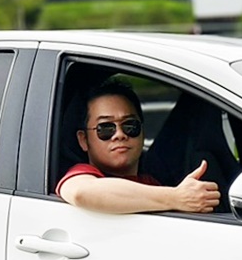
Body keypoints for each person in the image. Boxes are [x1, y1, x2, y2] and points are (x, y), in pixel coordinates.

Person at [55, 78, 221, 214]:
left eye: (130, 126)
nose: (119, 134)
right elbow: (81, 193)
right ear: (84, 140)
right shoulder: (81, 174)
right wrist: (176, 197)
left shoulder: (151, 183)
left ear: (142, 132)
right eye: (106, 128)